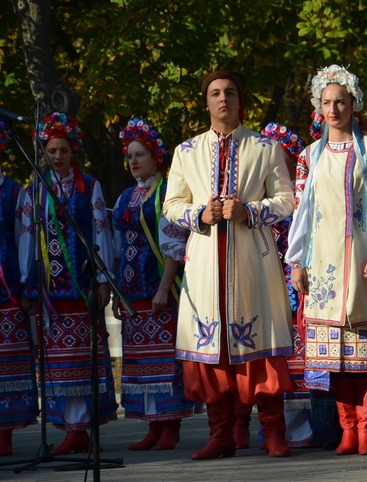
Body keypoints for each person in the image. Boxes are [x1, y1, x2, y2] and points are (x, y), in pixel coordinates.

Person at [162, 70, 296, 460]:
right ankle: (220, 434)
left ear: (241, 101)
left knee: (261, 340)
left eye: (230, 93)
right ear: (206, 102)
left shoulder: (265, 147)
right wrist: (199, 214)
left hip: (252, 260)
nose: (223, 99)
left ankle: (273, 432)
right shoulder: (185, 151)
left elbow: (286, 199)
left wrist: (249, 210)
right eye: (215, 93)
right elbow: (171, 205)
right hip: (205, 262)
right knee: (211, 348)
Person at [286, 64, 367, 456]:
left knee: (364, 351)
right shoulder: (308, 157)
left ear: (354, 104)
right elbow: (302, 209)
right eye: (326, 103)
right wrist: (297, 259)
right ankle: (347, 429)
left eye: (340, 102)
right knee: (333, 354)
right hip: (323, 265)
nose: (333, 109)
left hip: (364, 259)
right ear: (318, 108)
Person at [19, 112, 118, 454]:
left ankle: (81, 430)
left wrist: (103, 280)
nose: (57, 156)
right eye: (51, 151)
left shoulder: (89, 187)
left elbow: (102, 232)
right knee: (58, 365)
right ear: (44, 154)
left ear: (72, 151)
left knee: (82, 361)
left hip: (81, 288)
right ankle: (71, 430)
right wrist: (29, 286)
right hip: (51, 294)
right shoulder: (36, 190)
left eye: (63, 149)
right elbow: (29, 240)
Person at [111, 117, 197, 450]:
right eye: (130, 156)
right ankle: (152, 425)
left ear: (155, 158)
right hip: (132, 291)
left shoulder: (165, 193)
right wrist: (119, 292)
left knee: (163, 359)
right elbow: (118, 247)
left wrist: (164, 287)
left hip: (158, 287)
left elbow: (173, 244)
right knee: (141, 361)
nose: (133, 162)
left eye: (140, 155)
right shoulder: (124, 197)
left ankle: (170, 425)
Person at [262, 122, 338, 449]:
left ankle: (317, 427)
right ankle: (283, 429)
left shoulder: (307, 191)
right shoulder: (262, 198)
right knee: (280, 357)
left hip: (304, 283)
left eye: (281, 156)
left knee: (309, 355)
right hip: (270, 284)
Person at [0, 122, 37, 456]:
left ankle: (4, 436)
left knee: (7, 365)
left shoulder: (14, 192)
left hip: (6, 290)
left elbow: (25, 239)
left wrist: (26, 283)